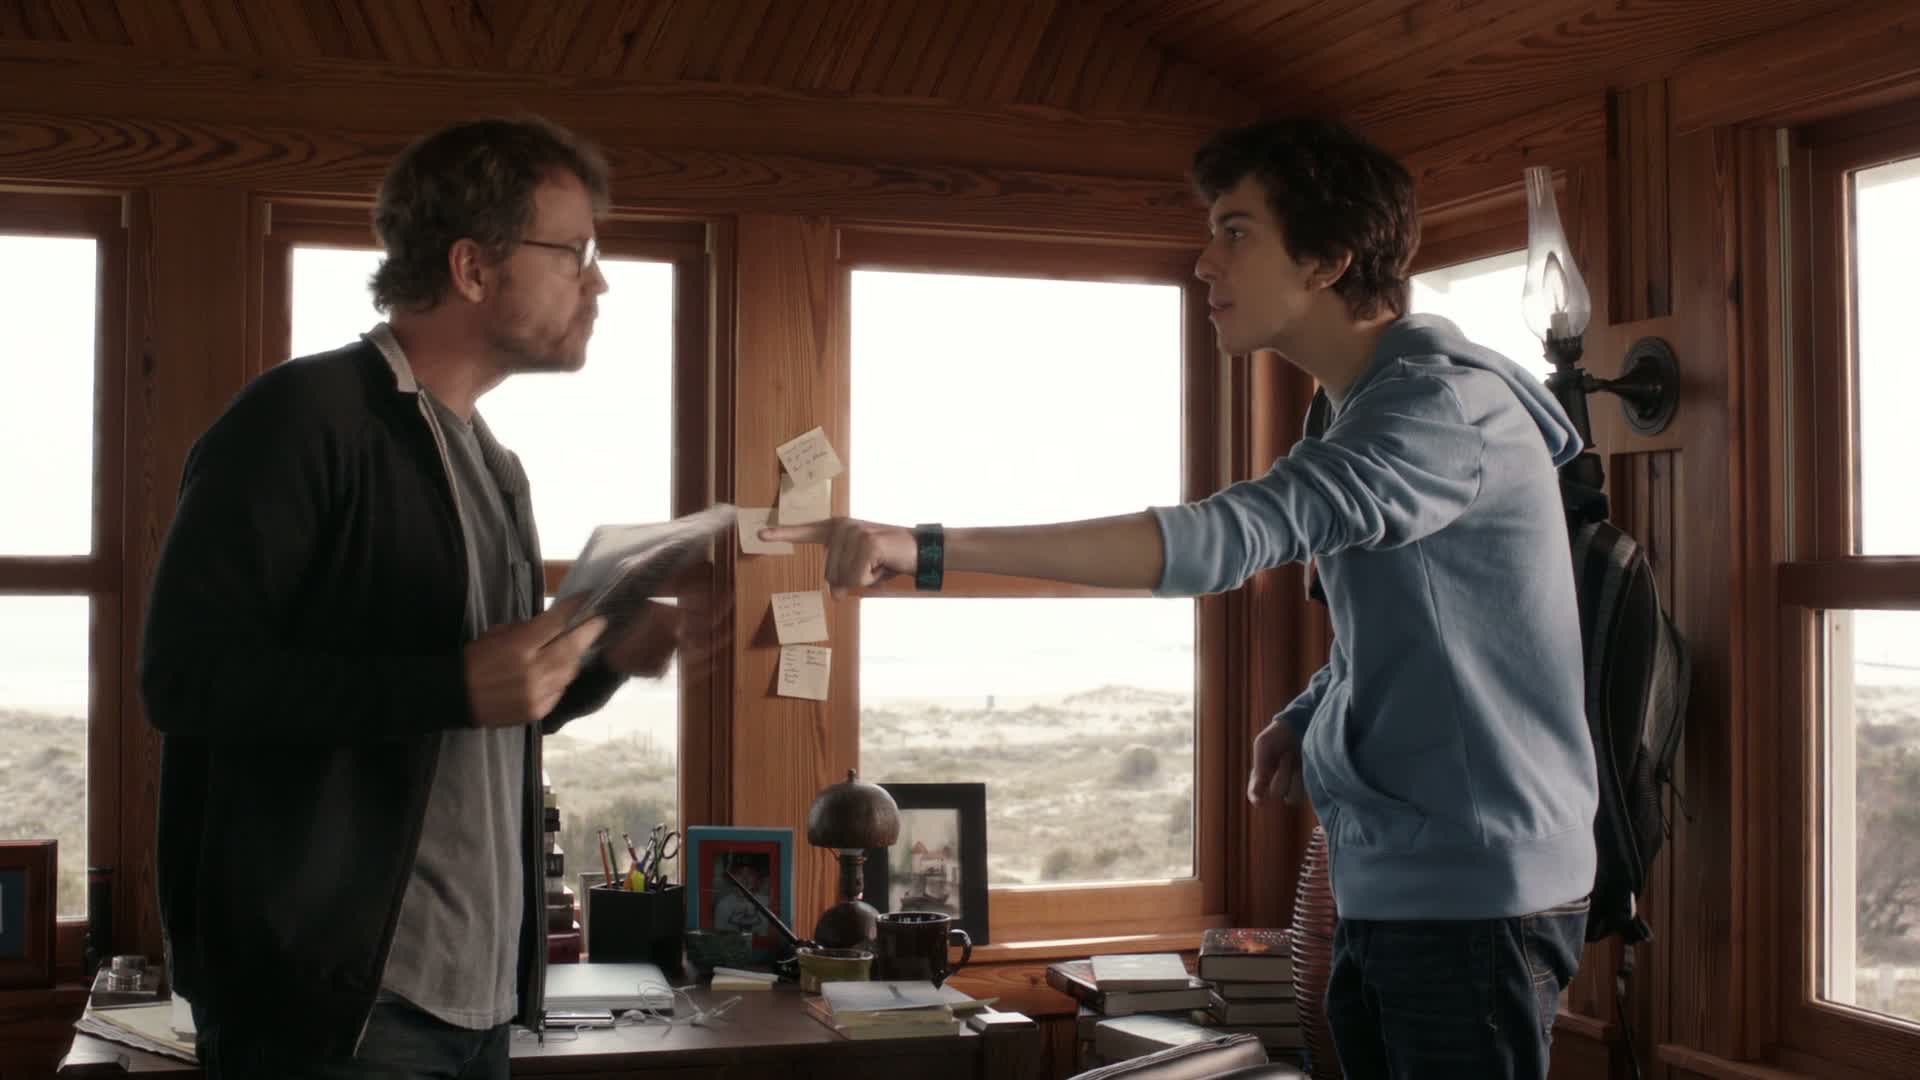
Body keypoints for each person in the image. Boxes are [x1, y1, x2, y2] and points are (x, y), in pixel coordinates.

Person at [765, 116, 1598, 1079]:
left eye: (1235, 232)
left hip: (1476, 898)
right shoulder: (1356, 409)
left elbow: (1219, 539)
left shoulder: (1437, 411)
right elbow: (1436, 618)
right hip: (1401, 887)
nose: (1205, 262)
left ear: (1328, 258)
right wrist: (1312, 710)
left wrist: (924, 548)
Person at [140, 116, 712, 1079]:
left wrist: (605, 657)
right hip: (340, 1019)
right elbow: (187, 681)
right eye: (576, 253)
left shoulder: (495, 464)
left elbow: (488, 708)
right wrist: (450, 683)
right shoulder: (299, 418)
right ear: (473, 268)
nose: (599, 283)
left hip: (481, 1006)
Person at [711, 857, 772, 939]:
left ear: (757, 877)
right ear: (732, 877)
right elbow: (719, 938)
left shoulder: (767, 904)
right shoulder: (723, 905)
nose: (744, 879)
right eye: (739, 874)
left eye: (750, 874)